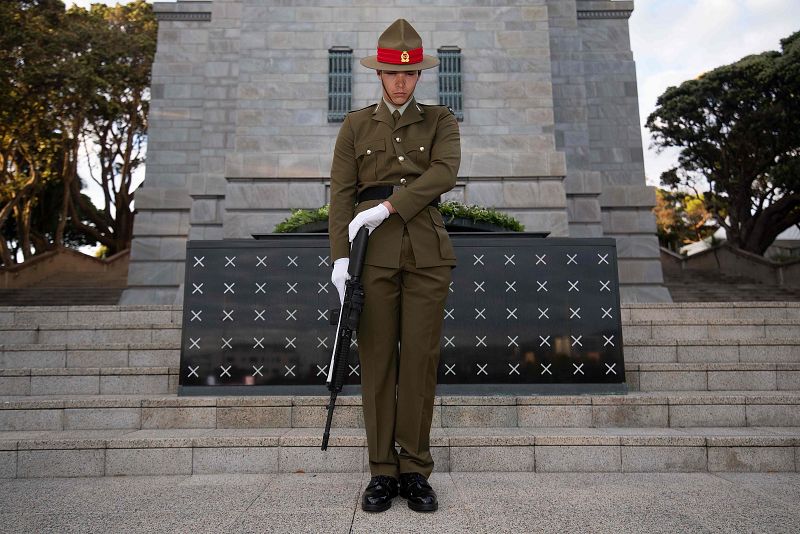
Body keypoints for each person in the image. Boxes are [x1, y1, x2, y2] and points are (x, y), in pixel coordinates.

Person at [328, 18, 460, 513]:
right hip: (372, 256)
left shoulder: (440, 120)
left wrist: (388, 207)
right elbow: (340, 196)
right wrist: (340, 258)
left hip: (426, 249)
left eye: (408, 74)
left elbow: (445, 172)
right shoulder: (356, 124)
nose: (400, 81)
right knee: (379, 363)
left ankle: (415, 469)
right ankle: (382, 471)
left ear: (419, 75)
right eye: (391, 73)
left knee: (421, 362)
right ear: (379, 75)